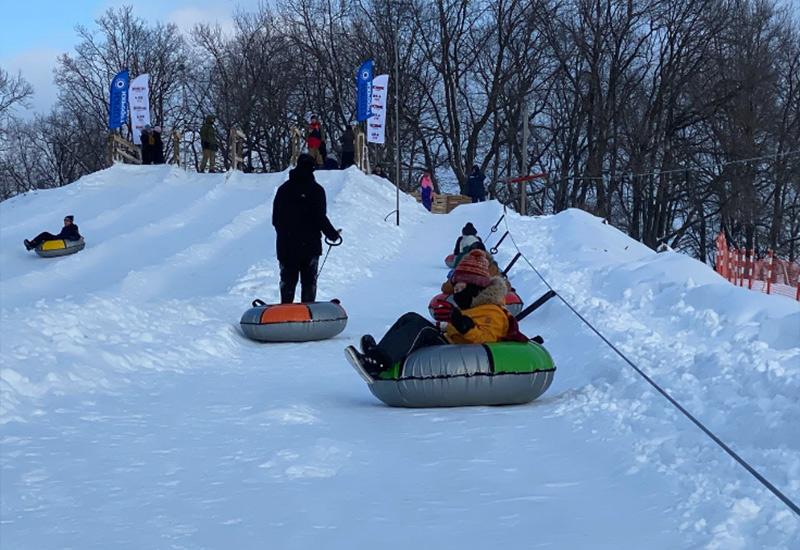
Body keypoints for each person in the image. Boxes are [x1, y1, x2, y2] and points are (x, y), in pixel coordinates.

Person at [344, 250, 527, 379]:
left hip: (456, 351)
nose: (457, 293)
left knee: (420, 328)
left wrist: (458, 320)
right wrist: (446, 323)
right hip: (450, 343)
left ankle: (378, 362)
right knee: (411, 318)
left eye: (461, 288)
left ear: (475, 288)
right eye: (456, 288)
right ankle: (378, 353)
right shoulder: (471, 307)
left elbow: (486, 338)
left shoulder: (493, 311)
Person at [272, 153, 341, 303]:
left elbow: (275, 219)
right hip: (310, 246)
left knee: (288, 282)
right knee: (309, 283)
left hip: (287, 245)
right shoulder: (317, 191)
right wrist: (333, 234)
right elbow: (320, 217)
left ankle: (284, 314)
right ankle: (307, 314)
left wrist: (286, 233)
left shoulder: (283, 190)